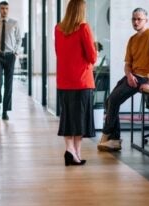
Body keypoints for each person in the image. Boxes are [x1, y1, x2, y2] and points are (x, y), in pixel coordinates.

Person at [97, 8, 149, 152]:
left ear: (146, 20)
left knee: (113, 100)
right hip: (133, 76)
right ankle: (115, 139)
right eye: (134, 19)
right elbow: (127, 64)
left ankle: (107, 134)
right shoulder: (132, 39)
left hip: (144, 77)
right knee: (110, 100)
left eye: (139, 19)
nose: (136, 22)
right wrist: (129, 75)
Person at [55, 0, 97, 166]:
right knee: (80, 119)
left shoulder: (58, 28)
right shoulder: (83, 28)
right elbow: (92, 57)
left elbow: (59, 52)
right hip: (82, 82)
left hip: (64, 82)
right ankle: (73, 152)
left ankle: (73, 151)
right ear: (81, 10)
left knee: (68, 117)